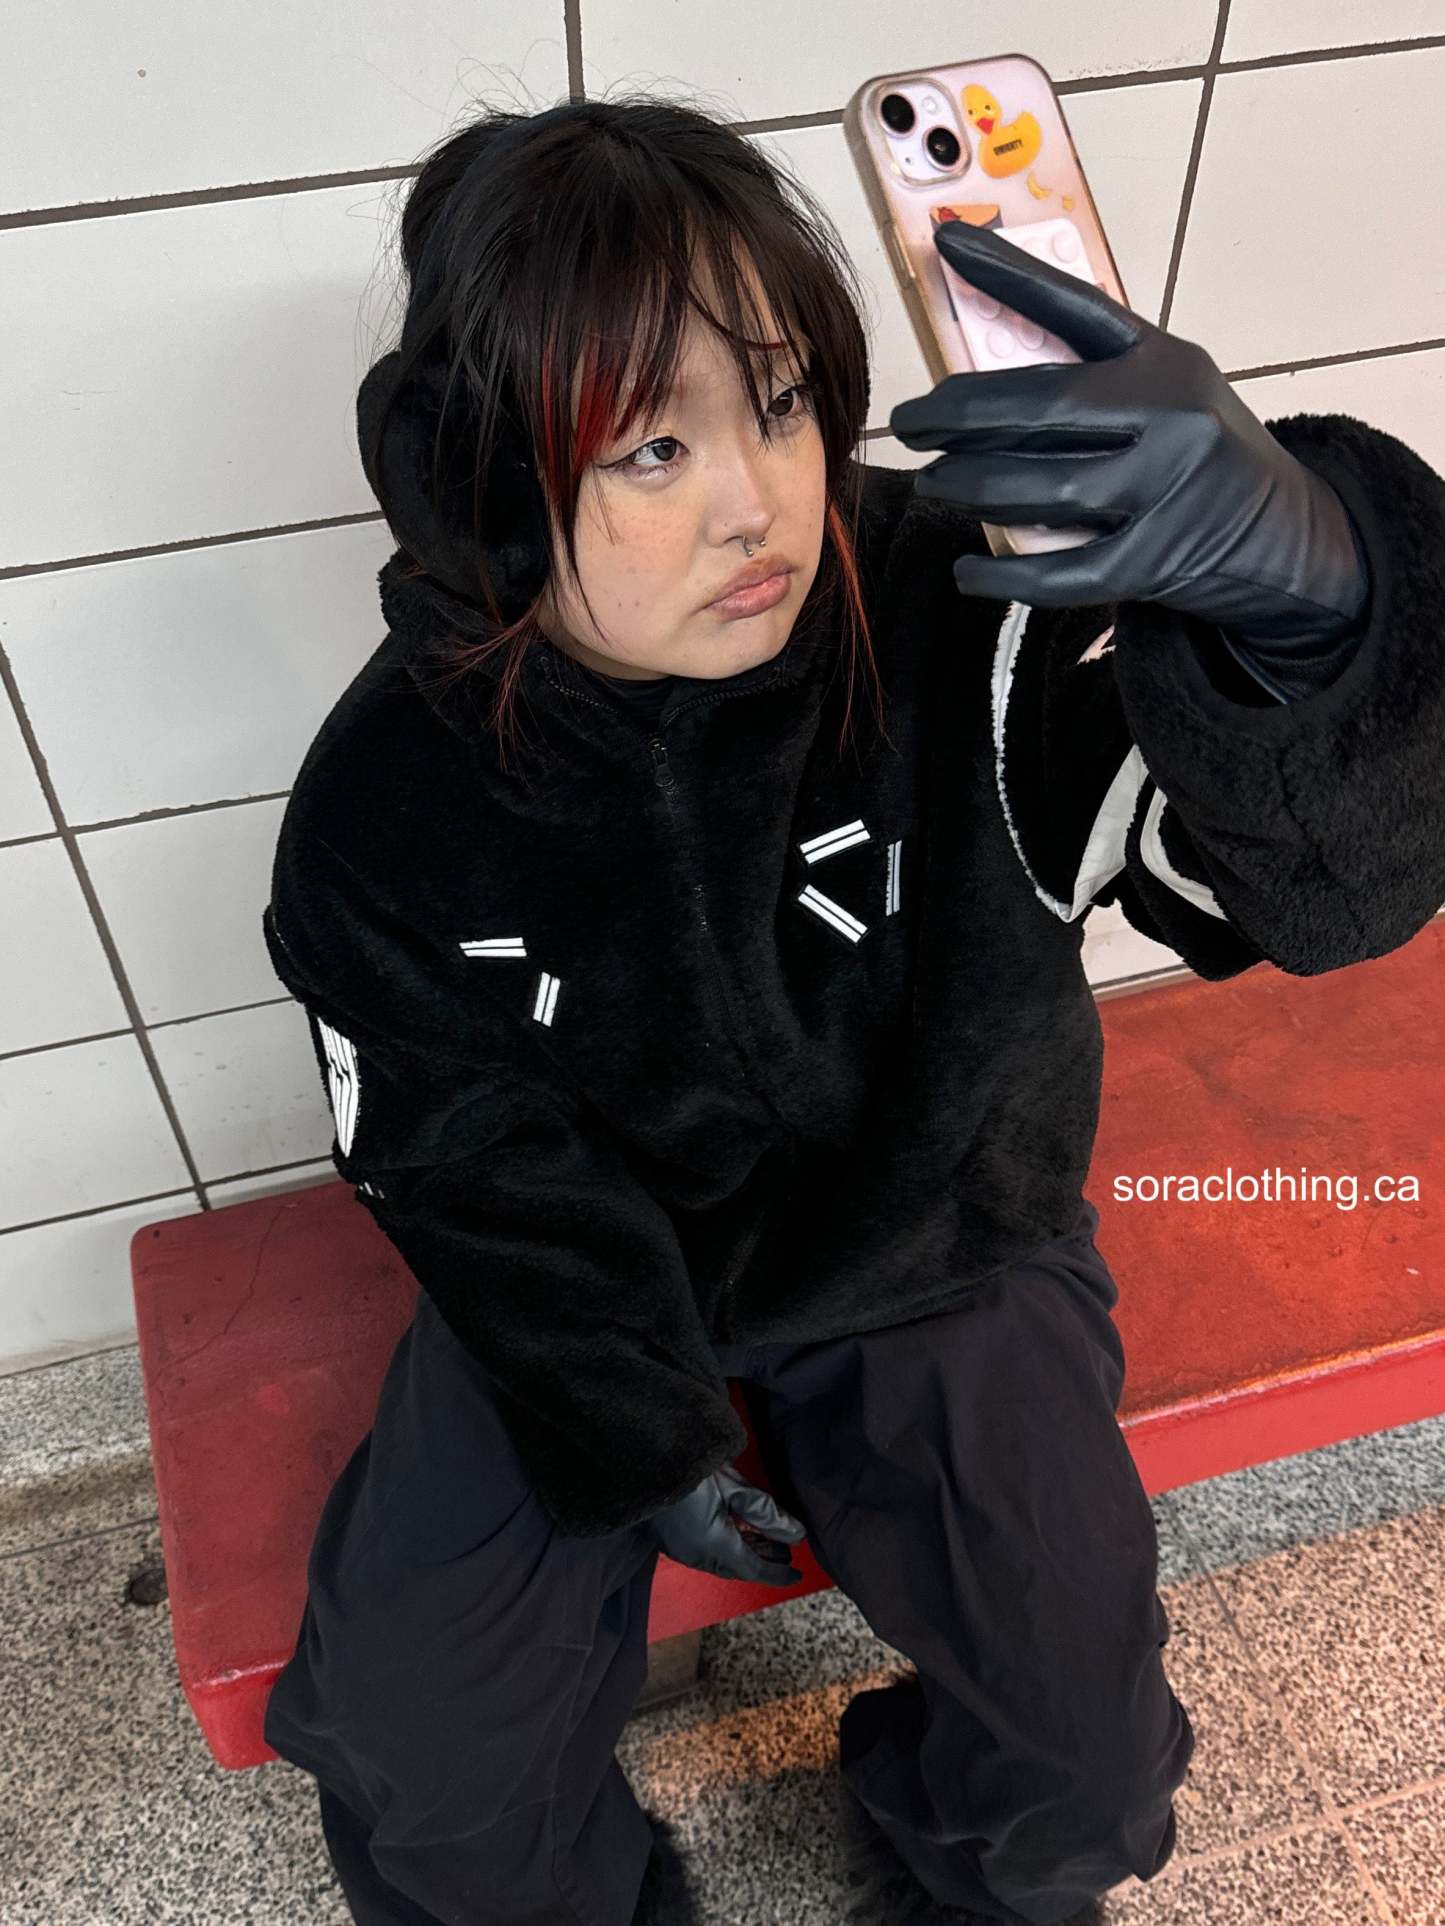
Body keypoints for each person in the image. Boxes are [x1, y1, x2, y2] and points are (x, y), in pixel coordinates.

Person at [259, 93, 1445, 1926]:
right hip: (572, 1288)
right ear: (476, 481)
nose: (756, 504)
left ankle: (937, 1839)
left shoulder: (967, 611)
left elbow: (1287, 892)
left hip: (934, 1226)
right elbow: (455, 1152)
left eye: (783, 403)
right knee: (430, 1740)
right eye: (652, 446)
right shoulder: (392, 799)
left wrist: (1316, 614)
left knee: (1086, 1752)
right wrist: (632, 1416)